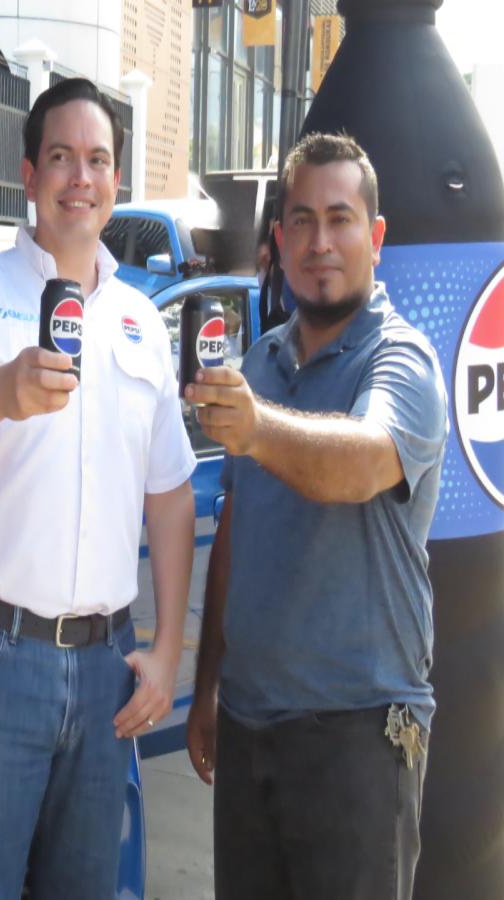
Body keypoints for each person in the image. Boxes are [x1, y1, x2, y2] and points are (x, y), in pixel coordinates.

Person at [0, 77, 197, 899]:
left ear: (116, 181)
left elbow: (172, 491)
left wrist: (169, 647)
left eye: (99, 160)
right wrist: (2, 391)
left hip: (108, 665)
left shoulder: (142, 322)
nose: (81, 176)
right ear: (29, 173)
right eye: (62, 158)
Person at [184, 132, 448, 900]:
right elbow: (238, 530)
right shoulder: (259, 363)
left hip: (358, 737)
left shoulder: (403, 359)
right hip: (250, 725)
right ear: (279, 240)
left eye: (340, 219)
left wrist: (258, 428)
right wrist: (209, 687)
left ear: (376, 237)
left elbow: (363, 462)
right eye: (302, 220)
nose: (321, 241)